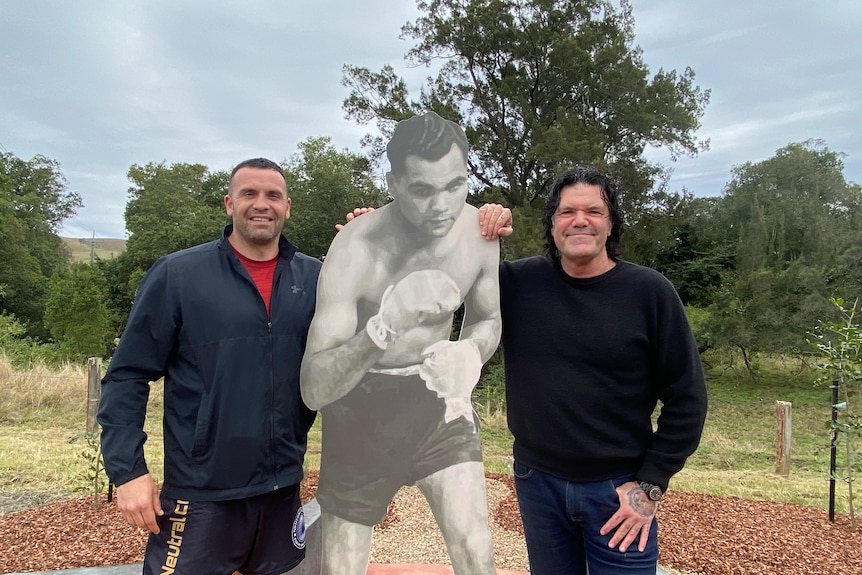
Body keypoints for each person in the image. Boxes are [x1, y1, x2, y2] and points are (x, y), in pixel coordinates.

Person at [299, 112, 501, 575]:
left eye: (455, 185)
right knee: (342, 567)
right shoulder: (355, 249)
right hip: (360, 407)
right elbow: (313, 386)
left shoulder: (480, 236)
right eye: (423, 190)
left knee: (476, 549)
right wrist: (382, 327)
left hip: (438, 403)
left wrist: (469, 352)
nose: (442, 206)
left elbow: (487, 319)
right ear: (392, 182)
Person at [98, 158, 320, 575]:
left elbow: (372, 321)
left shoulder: (314, 278)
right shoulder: (179, 275)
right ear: (228, 203)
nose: (261, 204)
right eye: (249, 193)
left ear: (287, 206)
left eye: (273, 195)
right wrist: (127, 471)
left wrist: (366, 235)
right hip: (201, 494)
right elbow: (128, 375)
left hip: (281, 488)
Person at [489, 166, 708, 574]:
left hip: (617, 490)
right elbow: (441, 281)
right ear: (552, 225)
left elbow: (688, 397)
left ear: (610, 225)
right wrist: (373, 233)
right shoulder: (517, 283)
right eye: (567, 211)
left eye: (594, 211)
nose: (580, 220)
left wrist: (650, 486)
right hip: (538, 483)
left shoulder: (649, 293)